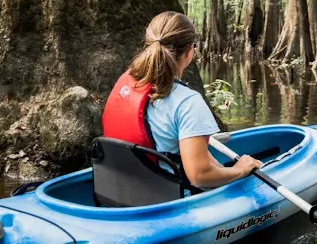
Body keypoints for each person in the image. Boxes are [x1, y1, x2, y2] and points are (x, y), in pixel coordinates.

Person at [104, 11, 262, 189]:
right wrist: (240, 170)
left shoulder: (129, 85)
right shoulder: (188, 103)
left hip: (122, 190)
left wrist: (224, 169)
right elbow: (200, 176)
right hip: (167, 199)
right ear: (190, 51)